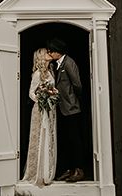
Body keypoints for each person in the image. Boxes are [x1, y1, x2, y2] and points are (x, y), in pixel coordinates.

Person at [46, 37, 85, 183]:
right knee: (65, 140)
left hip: (71, 108)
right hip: (62, 109)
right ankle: (68, 170)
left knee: (75, 139)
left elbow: (77, 84)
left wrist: (74, 99)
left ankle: (79, 170)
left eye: (51, 51)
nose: (49, 53)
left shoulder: (69, 63)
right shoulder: (58, 64)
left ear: (58, 52)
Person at [21, 48, 57, 187]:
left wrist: (53, 96)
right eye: (46, 52)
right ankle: (37, 173)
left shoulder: (50, 72)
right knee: (41, 137)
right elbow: (31, 93)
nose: (49, 53)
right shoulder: (37, 74)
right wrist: (42, 99)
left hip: (50, 109)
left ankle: (48, 172)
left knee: (49, 137)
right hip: (41, 109)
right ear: (42, 56)